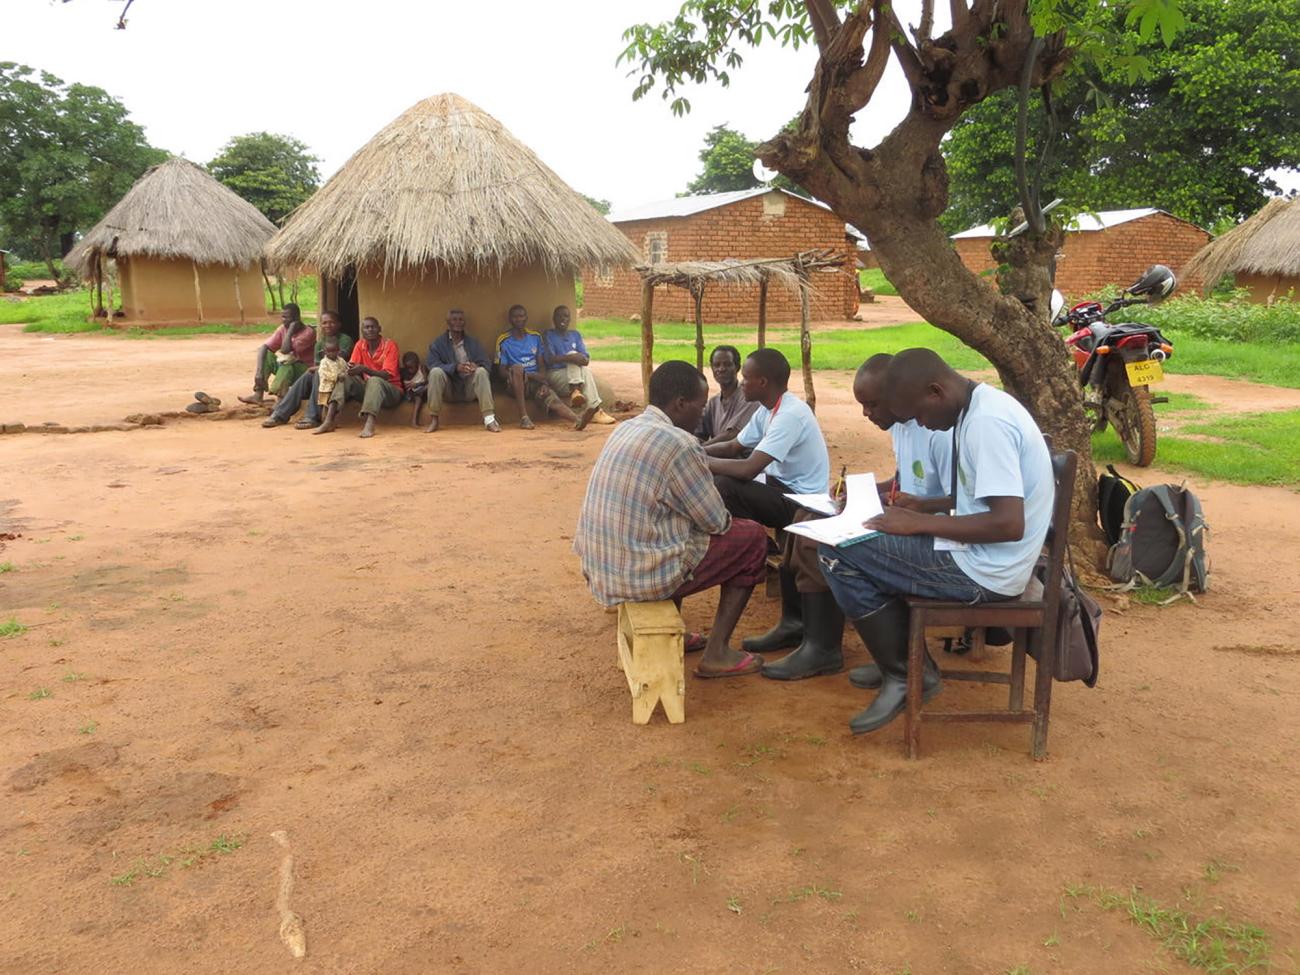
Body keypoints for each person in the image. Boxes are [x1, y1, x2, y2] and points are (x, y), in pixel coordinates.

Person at [818, 348, 1054, 735]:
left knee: (837, 551)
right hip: (975, 556)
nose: (922, 427)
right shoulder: (975, 409)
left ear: (935, 391)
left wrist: (918, 524)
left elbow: (1009, 523)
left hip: (985, 573)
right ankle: (901, 661)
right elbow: (982, 499)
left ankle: (906, 674)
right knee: (863, 537)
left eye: (920, 416)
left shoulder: (986, 424)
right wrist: (925, 507)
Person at [751, 354, 951, 682]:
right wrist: (863, 490)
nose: (866, 414)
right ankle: (800, 626)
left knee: (818, 538)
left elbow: (952, 502)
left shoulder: (935, 430)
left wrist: (911, 507)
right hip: (904, 519)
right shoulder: (902, 427)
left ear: (897, 397)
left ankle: (824, 648)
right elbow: (903, 482)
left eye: (872, 405)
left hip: (931, 535)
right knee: (806, 515)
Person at [574, 360, 767, 678]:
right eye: (700, 406)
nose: (702, 414)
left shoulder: (628, 427)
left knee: (674, 528)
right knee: (752, 539)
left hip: (601, 566)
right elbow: (717, 522)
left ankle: (675, 630)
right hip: (636, 575)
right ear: (680, 403)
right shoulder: (681, 445)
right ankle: (717, 652)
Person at [704, 348, 830, 531]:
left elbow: (748, 469)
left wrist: (700, 460)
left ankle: (753, 540)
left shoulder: (790, 414)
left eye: (746, 378)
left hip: (802, 501)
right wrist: (694, 449)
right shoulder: (766, 409)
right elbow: (733, 446)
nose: (742, 384)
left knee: (724, 485)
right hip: (779, 486)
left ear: (762, 382)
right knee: (721, 475)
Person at [496, 304, 595, 430]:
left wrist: (543, 382)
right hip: (515, 383)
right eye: (515, 317)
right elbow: (500, 371)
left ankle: (577, 420)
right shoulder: (504, 340)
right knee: (517, 368)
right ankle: (524, 418)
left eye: (521, 316)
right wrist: (518, 374)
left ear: (526, 318)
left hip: (535, 381)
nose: (519, 319)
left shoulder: (535, 337)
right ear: (510, 319)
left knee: (552, 400)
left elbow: (542, 368)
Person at [261, 310, 354, 428]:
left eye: (332, 322)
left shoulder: (345, 340)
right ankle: (279, 415)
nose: (328, 326)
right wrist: (314, 369)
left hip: (339, 378)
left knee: (315, 373)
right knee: (308, 376)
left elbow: (337, 363)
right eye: (324, 323)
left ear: (339, 324)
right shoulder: (320, 344)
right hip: (322, 378)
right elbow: (317, 365)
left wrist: (315, 369)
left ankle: (312, 417)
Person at [313, 316, 403, 438]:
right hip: (369, 390)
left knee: (375, 380)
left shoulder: (390, 346)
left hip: (391, 391)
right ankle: (329, 420)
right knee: (343, 377)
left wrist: (365, 369)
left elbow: (386, 376)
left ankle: (370, 424)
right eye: (366, 327)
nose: (370, 330)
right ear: (362, 331)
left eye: (373, 327)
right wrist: (349, 369)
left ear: (379, 329)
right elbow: (351, 366)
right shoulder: (360, 345)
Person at [423, 309, 501, 433]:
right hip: (449, 390)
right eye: (454, 319)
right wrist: (455, 367)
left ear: (464, 323)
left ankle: (489, 420)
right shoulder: (438, 344)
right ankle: (434, 420)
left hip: (469, 389)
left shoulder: (473, 343)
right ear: (448, 322)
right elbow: (431, 364)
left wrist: (476, 366)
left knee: (481, 371)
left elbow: (486, 363)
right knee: (435, 372)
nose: (458, 322)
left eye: (461, 319)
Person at [541, 305, 616, 425]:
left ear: (570, 319)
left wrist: (577, 358)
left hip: (574, 376)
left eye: (566, 316)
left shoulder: (575, 335)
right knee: (573, 355)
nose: (563, 319)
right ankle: (591, 405)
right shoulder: (548, 335)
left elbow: (586, 360)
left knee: (586, 371)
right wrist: (571, 357)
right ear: (553, 319)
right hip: (556, 375)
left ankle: (588, 404)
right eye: (559, 316)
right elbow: (549, 359)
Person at [240, 304, 315, 405]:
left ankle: (281, 399)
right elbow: (264, 347)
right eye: (282, 316)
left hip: (305, 371)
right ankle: (258, 394)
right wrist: (259, 372)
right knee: (267, 354)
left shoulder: (308, 332)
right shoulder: (282, 328)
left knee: (286, 364)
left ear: (296, 318)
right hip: (289, 366)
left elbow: (285, 350)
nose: (283, 320)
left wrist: (290, 330)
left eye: (286, 317)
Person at [696, 345, 758, 446]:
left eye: (727, 364)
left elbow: (732, 435)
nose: (721, 369)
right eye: (716, 365)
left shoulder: (748, 398)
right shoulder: (713, 402)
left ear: (737, 367)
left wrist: (700, 449)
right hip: (719, 456)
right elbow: (700, 433)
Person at [315, 336, 349, 409]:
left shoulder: (341, 360)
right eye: (328, 351)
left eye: (333, 351)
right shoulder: (324, 362)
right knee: (325, 403)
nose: (331, 353)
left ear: (338, 350)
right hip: (326, 387)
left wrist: (346, 373)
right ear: (324, 351)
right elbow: (324, 373)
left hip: (337, 386)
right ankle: (323, 416)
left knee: (334, 401)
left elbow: (345, 368)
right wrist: (336, 376)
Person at [400, 351, 428, 428]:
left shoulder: (422, 368)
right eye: (407, 367)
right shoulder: (403, 372)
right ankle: (414, 421)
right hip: (412, 394)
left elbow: (426, 381)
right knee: (418, 398)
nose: (410, 370)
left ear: (417, 364)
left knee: (429, 387)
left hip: (423, 390)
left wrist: (417, 384)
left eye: (412, 367)